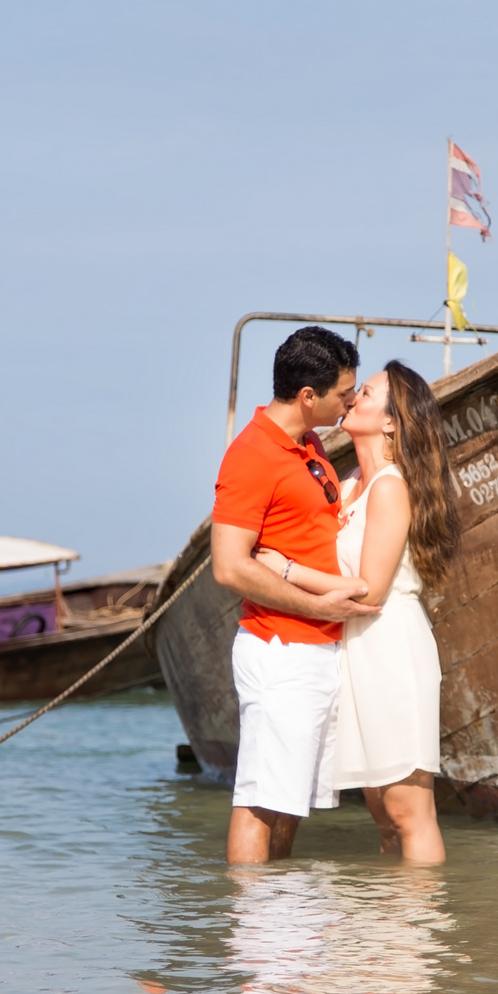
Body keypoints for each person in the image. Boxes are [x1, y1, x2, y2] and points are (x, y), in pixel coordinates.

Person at [254, 360, 460, 864]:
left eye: (364, 393)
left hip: (389, 647)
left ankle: (419, 931)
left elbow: (369, 592)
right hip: (354, 649)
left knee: (409, 812)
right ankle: (387, 935)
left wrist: (286, 572)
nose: (351, 398)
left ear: (391, 421)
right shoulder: (348, 486)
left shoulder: (391, 487)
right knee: (382, 814)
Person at [210, 326, 380, 866]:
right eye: (343, 394)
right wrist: (317, 606)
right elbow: (229, 566)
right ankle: (256, 939)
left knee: (290, 804)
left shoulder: (307, 444)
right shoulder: (253, 454)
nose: (349, 401)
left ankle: (281, 929)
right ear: (309, 396)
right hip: (281, 647)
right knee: (261, 800)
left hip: (314, 648)